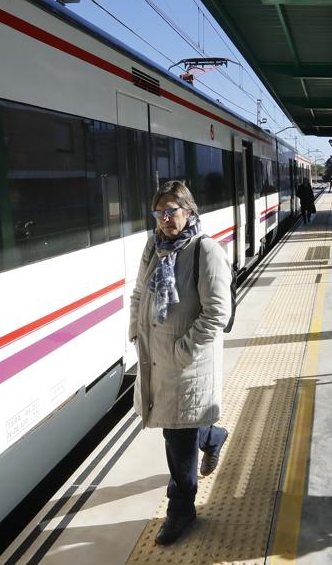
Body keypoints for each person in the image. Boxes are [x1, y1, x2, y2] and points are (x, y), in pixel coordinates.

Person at [129, 180, 232, 545]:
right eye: (159, 212)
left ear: (189, 211)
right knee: (178, 426)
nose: (165, 219)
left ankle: (181, 510)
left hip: (184, 364)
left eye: (172, 211)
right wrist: (134, 331)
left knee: (176, 437)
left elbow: (217, 311)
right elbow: (140, 291)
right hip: (155, 357)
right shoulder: (153, 247)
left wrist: (181, 353)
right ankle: (213, 434)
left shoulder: (205, 250)